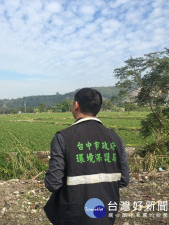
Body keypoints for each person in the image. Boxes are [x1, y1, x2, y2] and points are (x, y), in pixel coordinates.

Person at [44, 88, 129, 225]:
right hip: (106, 214)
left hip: (73, 216)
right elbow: (124, 180)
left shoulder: (63, 137)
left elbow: (53, 183)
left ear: (76, 105)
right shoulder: (116, 138)